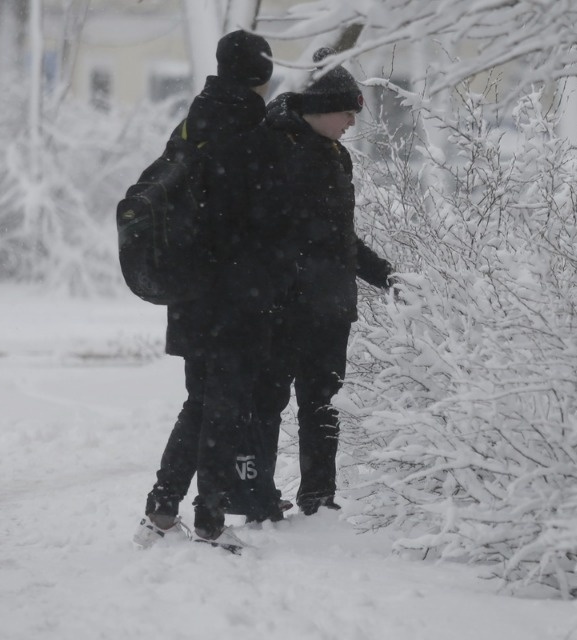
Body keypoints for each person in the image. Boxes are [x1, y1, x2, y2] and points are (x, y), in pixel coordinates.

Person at [133, 29, 281, 554]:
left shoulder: (195, 120)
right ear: (260, 74)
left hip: (193, 293)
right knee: (225, 408)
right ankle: (211, 522)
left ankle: (161, 510)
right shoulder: (247, 128)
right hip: (233, 296)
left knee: (200, 403)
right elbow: (253, 219)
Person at [238, 47, 395, 517]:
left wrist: (385, 275)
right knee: (267, 401)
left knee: (325, 404)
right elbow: (263, 233)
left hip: (330, 307)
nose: (351, 121)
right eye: (347, 111)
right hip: (281, 306)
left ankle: (319, 498)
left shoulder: (337, 157)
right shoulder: (270, 148)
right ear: (321, 108)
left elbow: (339, 238)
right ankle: (255, 496)